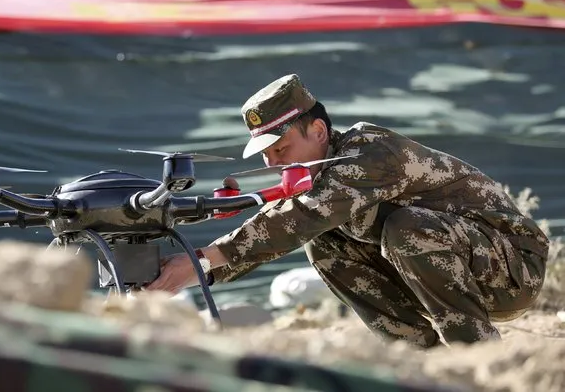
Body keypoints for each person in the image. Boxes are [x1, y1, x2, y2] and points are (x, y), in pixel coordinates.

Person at [146, 74, 550, 348]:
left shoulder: (369, 153)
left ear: (319, 132)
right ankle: (423, 364)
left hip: (512, 269)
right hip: (461, 268)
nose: (273, 163)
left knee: (405, 227)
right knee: (324, 243)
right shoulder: (322, 177)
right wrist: (202, 264)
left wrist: (202, 260)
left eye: (281, 149)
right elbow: (298, 220)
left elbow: (302, 215)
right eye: (266, 154)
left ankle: (478, 359)